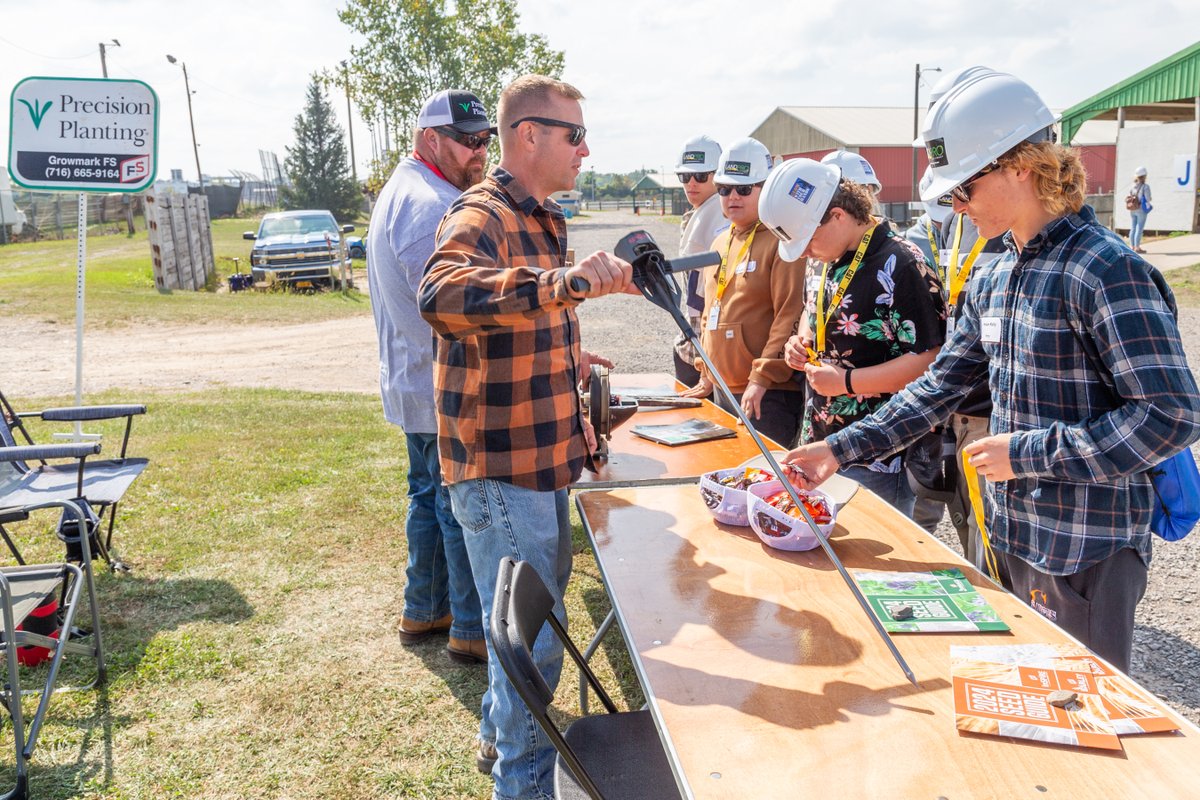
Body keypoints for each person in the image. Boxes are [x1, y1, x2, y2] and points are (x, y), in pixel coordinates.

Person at [781, 71, 1200, 672]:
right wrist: (838, 450)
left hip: (1084, 546)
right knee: (1023, 703)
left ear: (1021, 167)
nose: (954, 206)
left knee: (1082, 716)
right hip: (1007, 534)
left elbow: (1171, 415)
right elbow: (939, 386)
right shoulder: (996, 272)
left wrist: (1027, 454)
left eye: (963, 189)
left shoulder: (1106, 270)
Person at [418, 74, 633, 799]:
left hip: (540, 464)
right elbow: (442, 293)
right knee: (533, 650)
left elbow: (523, 313)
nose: (585, 148)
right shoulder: (481, 211)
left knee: (523, 635)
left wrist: (566, 349)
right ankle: (523, 786)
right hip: (502, 469)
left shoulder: (545, 217)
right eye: (573, 135)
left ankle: (497, 736)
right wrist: (563, 287)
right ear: (529, 135)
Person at [366, 89, 494, 665]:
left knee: (427, 496)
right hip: (439, 380)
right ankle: (468, 624)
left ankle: (426, 607)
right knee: (452, 502)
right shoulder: (431, 203)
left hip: (414, 380)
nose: (480, 151)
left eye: (485, 139)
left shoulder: (411, 190)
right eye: (468, 141)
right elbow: (444, 307)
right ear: (430, 141)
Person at [759, 158, 946, 517]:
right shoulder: (823, 259)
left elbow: (930, 360)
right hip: (821, 440)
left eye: (808, 240)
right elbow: (811, 314)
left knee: (868, 560)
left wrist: (846, 381)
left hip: (879, 454)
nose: (806, 252)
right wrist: (799, 342)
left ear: (839, 215)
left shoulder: (902, 264)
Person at [679, 137, 806, 448]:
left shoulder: (783, 243)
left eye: (744, 189)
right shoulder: (720, 243)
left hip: (766, 393)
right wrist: (706, 372)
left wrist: (761, 378)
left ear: (766, 188)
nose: (732, 196)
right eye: (724, 189)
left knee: (759, 483)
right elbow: (711, 310)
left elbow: (789, 313)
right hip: (723, 386)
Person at [672, 134, 729, 386]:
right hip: (691, 338)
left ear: (718, 175)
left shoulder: (723, 216)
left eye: (701, 176)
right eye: (685, 177)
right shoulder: (696, 215)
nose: (691, 183)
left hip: (711, 344)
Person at [1126, 166, 1152, 253]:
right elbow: (1148, 199)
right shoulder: (1145, 187)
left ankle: (1132, 246)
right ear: (1144, 176)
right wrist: (1149, 198)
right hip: (1141, 209)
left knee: (1133, 227)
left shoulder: (1133, 186)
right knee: (1139, 228)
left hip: (1132, 209)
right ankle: (1137, 247)